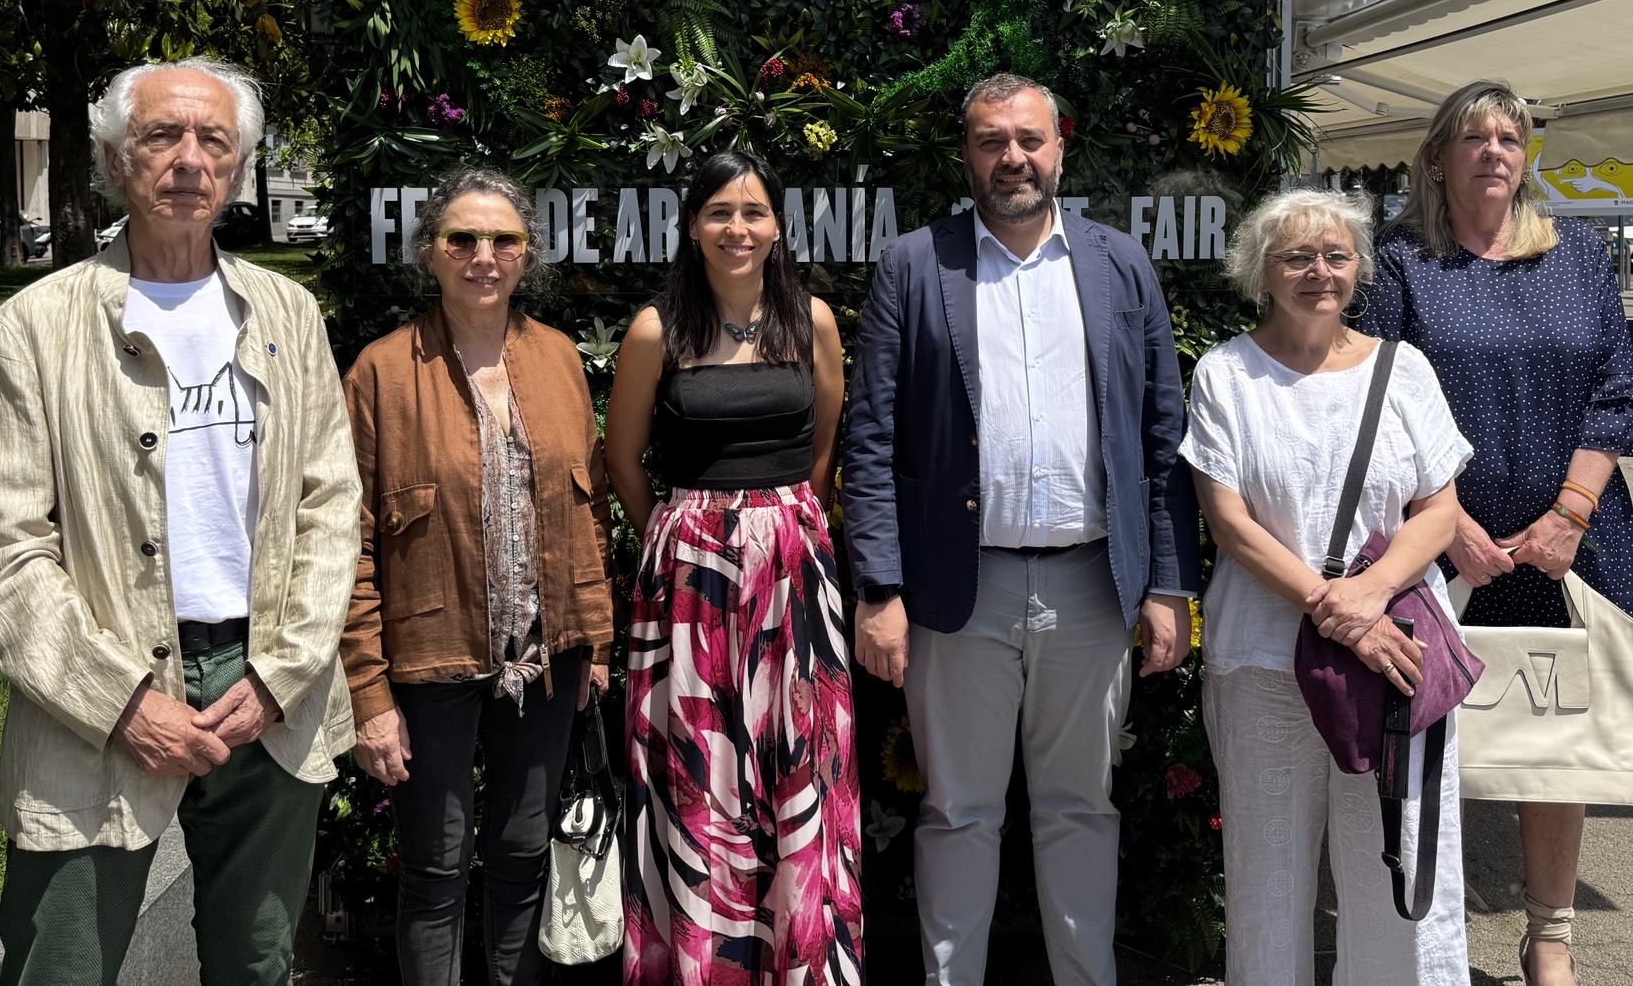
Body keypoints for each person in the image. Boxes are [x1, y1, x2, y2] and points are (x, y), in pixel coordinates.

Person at [0, 58, 361, 986]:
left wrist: (281, 672)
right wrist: (122, 703)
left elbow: (331, 505)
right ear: (113, 159)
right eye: (161, 136)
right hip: (98, 691)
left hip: (267, 684)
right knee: (62, 965)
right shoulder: (29, 329)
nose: (189, 159)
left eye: (214, 140)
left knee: (257, 962)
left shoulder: (289, 314)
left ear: (238, 165)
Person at [843, 72, 1199, 986]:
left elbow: (1162, 434)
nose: (1013, 157)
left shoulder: (1119, 263)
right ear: (966, 155)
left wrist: (1169, 584)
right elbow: (871, 436)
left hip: (1092, 584)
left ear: (1060, 150)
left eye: (1029, 139)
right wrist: (879, 589)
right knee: (957, 812)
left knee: (1081, 809)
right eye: (992, 141)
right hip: (957, 588)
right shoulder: (913, 265)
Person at [1359, 80, 1633, 986]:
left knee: (1554, 735)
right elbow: (1376, 401)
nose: (1494, 151)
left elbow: (1615, 390)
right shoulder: (1399, 260)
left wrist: (1569, 515)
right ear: (1437, 158)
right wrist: (1445, 523)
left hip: (1570, 539)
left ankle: (1549, 936)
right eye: (1473, 137)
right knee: (1428, 729)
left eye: (1509, 137)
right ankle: (1423, 929)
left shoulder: (1579, 253)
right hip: (1438, 535)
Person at [1182, 189, 1472, 986]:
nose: (1320, 271)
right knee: (1266, 876)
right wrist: (1339, 611)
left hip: (1395, 664)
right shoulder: (1226, 375)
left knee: (1398, 867)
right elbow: (1231, 524)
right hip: (1265, 666)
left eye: (1336, 255)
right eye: (1297, 257)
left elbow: (1439, 512)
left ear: (1358, 268)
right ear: (1261, 273)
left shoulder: (1403, 369)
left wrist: (1370, 597)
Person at [342, 166, 616, 986]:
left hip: (548, 653)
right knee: (434, 867)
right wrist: (368, 693)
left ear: (527, 254)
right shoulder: (382, 372)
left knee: (525, 852)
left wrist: (596, 643)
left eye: (503, 239)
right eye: (462, 238)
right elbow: (348, 543)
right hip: (430, 657)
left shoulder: (559, 359)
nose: (483, 256)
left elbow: (590, 514)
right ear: (429, 252)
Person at [603, 148, 860, 986]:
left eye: (753, 212)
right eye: (719, 212)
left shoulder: (812, 322)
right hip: (688, 579)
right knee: (698, 772)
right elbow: (622, 460)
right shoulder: (657, 331)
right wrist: (684, 535)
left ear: (778, 227)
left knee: (801, 764)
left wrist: (778, 524)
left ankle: (801, 965)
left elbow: (823, 445)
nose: (737, 228)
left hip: (794, 570)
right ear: (691, 226)